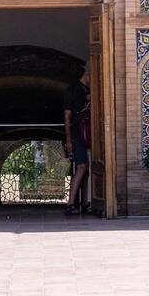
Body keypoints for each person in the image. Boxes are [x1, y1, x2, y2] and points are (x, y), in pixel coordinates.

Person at [63, 65, 91, 215]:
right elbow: (67, 116)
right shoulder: (73, 90)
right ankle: (70, 203)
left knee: (86, 170)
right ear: (87, 74)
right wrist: (69, 140)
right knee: (81, 167)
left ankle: (86, 203)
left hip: (89, 135)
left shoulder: (87, 90)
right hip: (78, 136)